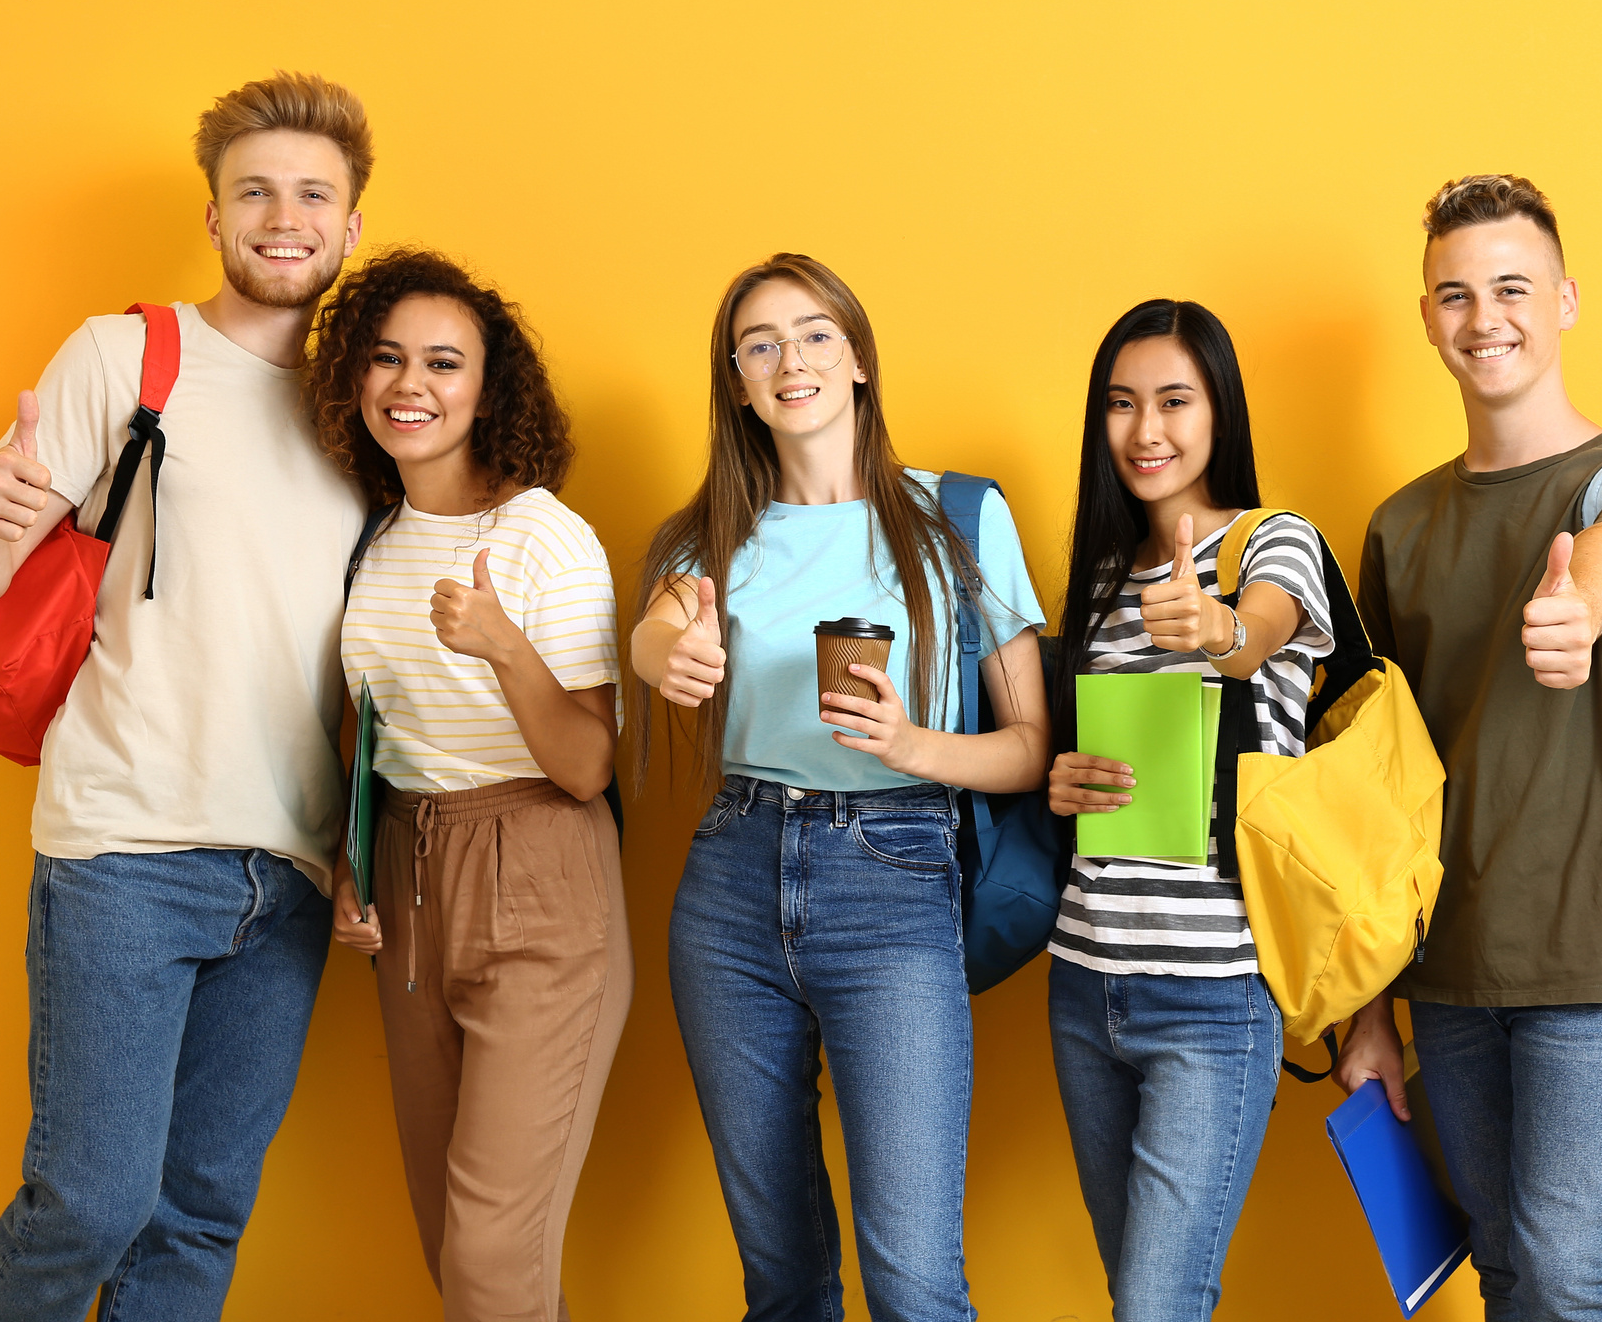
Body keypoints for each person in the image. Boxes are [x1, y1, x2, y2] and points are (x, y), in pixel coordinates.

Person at [0, 73, 374, 1320]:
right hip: (126, 847)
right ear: (217, 215)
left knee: (198, 1221)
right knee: (90, 1200)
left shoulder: (364, 411)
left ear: (350, 228)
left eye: (312, 195)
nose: (283, 217)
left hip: (284, 870)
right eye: (255, 192)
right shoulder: (131, 355)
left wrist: (355, 848)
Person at [630, 252, 1048, 1322]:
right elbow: (661, 634)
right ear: (736, 382)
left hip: (897, 876)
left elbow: (1027, 748)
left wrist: (912, 745)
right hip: (731, 882)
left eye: (814, 334)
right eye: (759, 344)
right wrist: (660, 653)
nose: (790, 359)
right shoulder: (703, 541)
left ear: (857, 359)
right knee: (780, 1280)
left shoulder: (954, 517)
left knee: (913, 1283)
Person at [1354, 175, 1602, 1321]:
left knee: (1567, 1274)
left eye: (1511, 288)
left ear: (1565, 301)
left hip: (1597, 954)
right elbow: (1374, 784)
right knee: (1506, 1273)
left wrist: (1591, 594)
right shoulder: (1399, 528)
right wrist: (1366, 1006)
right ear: (1426, 318)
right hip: (1448, 964)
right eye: (1454, 295)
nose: (1484, 318)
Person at [1039, 299, 1398, 1320]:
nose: (1145, 431)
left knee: (1155, 1309)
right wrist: (1065, 785)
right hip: (1084, 983)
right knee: (1145, 1302)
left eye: (1173, 401)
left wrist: (1217, 624)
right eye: (1120, 404)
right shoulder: (1104, 581)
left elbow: (1259, 632)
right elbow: (1096, 771)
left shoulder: (1272, 541)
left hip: (1214, 995)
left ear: (1219, 413)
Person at [303, 248, 627, 1322]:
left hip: (541, 878)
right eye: (388, 359)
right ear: (356, 379)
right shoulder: (375, 538)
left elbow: (587, 766)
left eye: (444, 363)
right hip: (411, 882)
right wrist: (352, 871)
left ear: (489, 391)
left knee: (493, 1255)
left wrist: (503, 647)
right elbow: (371, 733)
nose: (412, 384)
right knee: (460, 1251)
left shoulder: (542, 536)